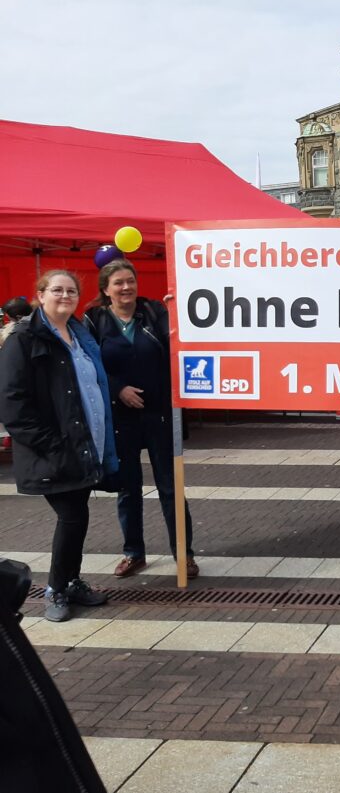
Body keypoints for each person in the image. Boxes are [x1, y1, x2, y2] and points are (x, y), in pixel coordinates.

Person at [0, 270, 116, 622]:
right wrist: (54, 445)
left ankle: (71, 580)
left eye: (71, 290)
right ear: (40, 294)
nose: (65, 295)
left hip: (83, 447)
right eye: (57, 290)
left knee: (78, 516)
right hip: (57, 450)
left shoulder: (79, 335)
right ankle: (56, 590)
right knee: (72, 516)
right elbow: (11, 403)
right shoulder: (24, 339)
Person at [83, 259, 198, 579]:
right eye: (118, 282)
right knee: (127, 488)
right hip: (120, 418)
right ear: (106, 289)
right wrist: (118, 388)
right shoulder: (93, 320)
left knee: (171, 487)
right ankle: (134, 552)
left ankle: (183, 553)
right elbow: (88, 364)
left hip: (160, 413)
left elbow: (176, 342)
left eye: (130, 281)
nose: (126, 287)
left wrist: (177, 310)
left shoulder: (154, 313)